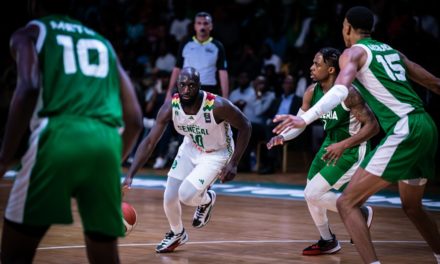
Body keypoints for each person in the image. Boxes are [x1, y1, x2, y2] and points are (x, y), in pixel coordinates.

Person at [272, 6, 440, 264]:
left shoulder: (353, 53)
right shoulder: (391, 52)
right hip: (426, 124)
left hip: (403, 128)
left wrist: (304, 119)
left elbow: (340, 91)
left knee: (347, 204)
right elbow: (433, 82)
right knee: (412, 206)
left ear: (347, 27)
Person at [0, 0, 143, 263]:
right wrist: (112, 162)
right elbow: (134, 118)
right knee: (104, 255)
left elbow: (29, 87)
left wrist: (4, 158)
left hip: (58, 138)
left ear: (33, 4)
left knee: (14, 255)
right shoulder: (103, 43)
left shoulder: (29, 33)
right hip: (106, 142)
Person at [123, 67, 251, 253]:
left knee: (186, 195)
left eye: (191, 85)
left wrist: (234, 163)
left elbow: (245, 126)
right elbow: (150, 141)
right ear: (177, 85)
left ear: (199, 86)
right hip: (191, 147)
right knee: (169, 197)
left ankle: (206, 199)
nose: (186, 90)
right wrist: (131, 174)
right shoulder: (170, 107)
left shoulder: (218, 106)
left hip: (217, 153)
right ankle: (177, 234)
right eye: (182, 85)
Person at [268, 47, 379, 255]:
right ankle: (328, 240)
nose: (311, 67)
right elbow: (300, 123)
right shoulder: (312, 91)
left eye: (317, 64)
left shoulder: (350, 94)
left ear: (330, 70)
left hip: (351, 148)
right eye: (313, 62)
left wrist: (344, 145)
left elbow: (373, 127)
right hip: (330, 144)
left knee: (312, 194)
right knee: (311, 193)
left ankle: (359, 212)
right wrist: (282, 137)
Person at [166, 12, 229, 98]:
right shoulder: (185, 43)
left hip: (209, 89)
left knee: (208, 112)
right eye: (199, 23)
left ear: (211, 26)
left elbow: (223, 72)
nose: (202, 27)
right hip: (186, 87)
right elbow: (177, 68)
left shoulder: (217, 46)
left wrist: (225, 97)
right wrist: (169, 92)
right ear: (195, 26)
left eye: (205, 23)